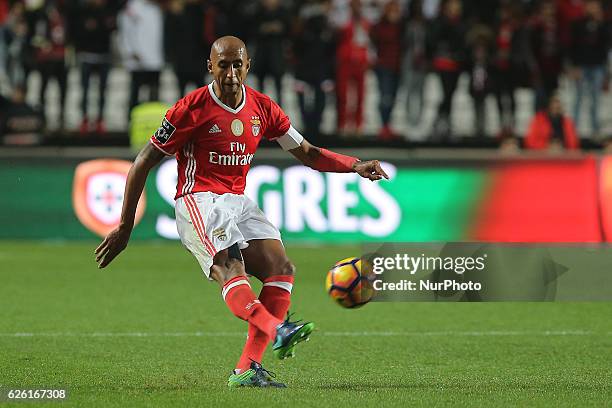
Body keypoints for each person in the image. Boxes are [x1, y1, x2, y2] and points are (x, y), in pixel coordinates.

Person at [94, 36, 389, 388]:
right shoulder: (190, 108)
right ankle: (278, 329)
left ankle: (247, 369)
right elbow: (143, 160)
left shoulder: (263, 108)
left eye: (238, 65)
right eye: (223, 65)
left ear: (248, 66)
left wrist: (353, 164)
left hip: (237, 200)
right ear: (210, 67)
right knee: (231, 269)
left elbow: (307, 152)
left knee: (282, 268)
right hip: (199, 199)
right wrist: (125, 225)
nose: (231, 73)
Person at [569, 0, 610, 138]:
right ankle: (572, 132)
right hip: (581, 66)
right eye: (591, 6)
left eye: (596, 6)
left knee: (595, 99)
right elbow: (572, 46)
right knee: (578, 98)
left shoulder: (603, 25)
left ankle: (595, 131)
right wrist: (574, 66)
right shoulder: (578, 24)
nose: (593, 9)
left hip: (598, 66)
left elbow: (607, 46)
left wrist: (606, 72)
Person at [371, 0, 402, 140]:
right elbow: (374, 40)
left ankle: (388, 125)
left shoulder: (401, 27)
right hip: (384, 66)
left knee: (393, 97)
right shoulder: (380, 26)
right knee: (385, 97)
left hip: (397, 66)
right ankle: (384, 126)